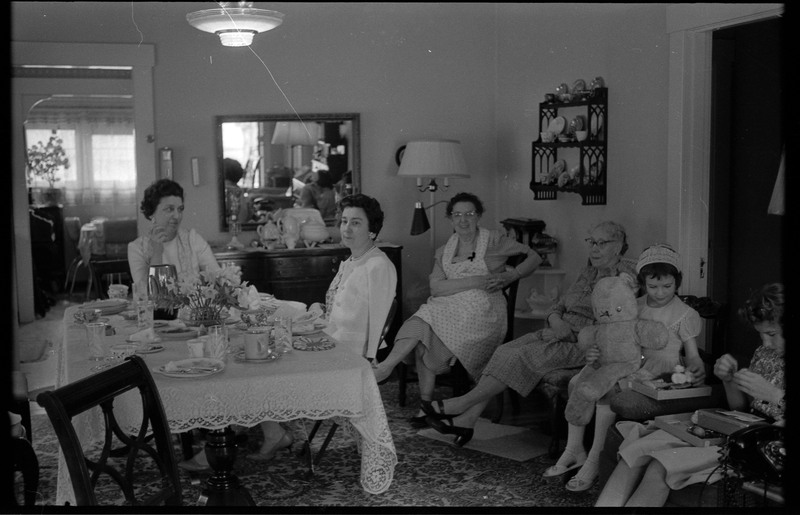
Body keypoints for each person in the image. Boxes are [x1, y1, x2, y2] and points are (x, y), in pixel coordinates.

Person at [424, 221, 636, 447]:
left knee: (519, 356)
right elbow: (559, 305)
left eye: (601, 243)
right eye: (591, 242)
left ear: (618, 246)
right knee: (506, 350)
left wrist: (568, 330)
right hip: (557, 330)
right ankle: (467, 420)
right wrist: (555, 321)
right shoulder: (588, 271)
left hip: (583, 344)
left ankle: (461, 404)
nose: (593, 248)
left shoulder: (625, 279)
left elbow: (613, 323)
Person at [595, 283, 785, 507]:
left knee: (660, 466)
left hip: (760, 447)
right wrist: (728, 380)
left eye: (771, 334)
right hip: (738, 431)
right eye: (761, 335)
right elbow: (740, 411)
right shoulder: (765, 353)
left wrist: (775, 395)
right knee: (636, 453)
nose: (765, 343)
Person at [372, 192, 541, 430]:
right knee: (423, 333)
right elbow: (436, 287)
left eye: (469, 214)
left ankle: (386, 366)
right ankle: (425, 404)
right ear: (450, 219)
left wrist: (512, 275)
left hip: (483, 312)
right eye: (457, 215)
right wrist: (478, 280)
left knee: (426, 316)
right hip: (448, 310)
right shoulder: (444, 251)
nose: (463, 220)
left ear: (479, 216)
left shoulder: (494, 241)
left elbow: (534, 256)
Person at [250, 193, 398, 462]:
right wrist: (319, 310)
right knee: (266, 349)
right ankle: (273, 431)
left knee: (270, 363)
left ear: (372, 229)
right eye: (343, 221)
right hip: (331, 342)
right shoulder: (353, 260)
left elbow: (377, 323)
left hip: (347, 356)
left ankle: (273, 432)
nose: (346, 228)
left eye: (356, 223)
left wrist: (365, 363)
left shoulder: (377, 266)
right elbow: (341, 310)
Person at [545, 243, 705, 492]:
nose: (660, 293)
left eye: (667, 286)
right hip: (624, 362)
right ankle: (573, 448)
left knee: (606, 391)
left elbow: (693, 355)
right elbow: (609, 336)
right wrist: (593, 354)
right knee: (578, 382)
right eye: (653, 287)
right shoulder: (633, 304)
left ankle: (595, 458)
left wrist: (696, 368)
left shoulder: (683, 313)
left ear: (677, 282)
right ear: (643, 283)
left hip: (658, 369)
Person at [128, 179, 220, 289]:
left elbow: (219, 279)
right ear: (152, 213)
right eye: (169, 209)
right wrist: (157, 252)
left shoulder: (193, 239)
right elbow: (143, 291)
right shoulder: (137, 248)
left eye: (180, 209)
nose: (177, 216)